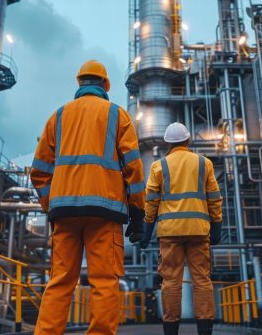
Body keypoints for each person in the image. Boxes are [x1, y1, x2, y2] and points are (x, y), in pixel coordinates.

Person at [31, 60, 145, 335]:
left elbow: (39, 172)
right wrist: (137, 211)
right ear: (105, 85)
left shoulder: (58, 117)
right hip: (105, 213)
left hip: (64, 214)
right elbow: (133, 166)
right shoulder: (117, 115)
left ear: (79, 84)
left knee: (60, 280)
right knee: (104, 281)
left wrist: (51, 205)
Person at [140, 122, 223, 335]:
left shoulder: (158, 166)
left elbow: (151, 201)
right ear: (187, 140)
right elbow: (214, 198)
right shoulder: (204, 164)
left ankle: (171, 330)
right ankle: (205, 330)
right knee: (202, 279)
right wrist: (217, 227)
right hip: (198, 230)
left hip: (170, 233)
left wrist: (147, 229)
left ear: (168, 143)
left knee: (170, 282)